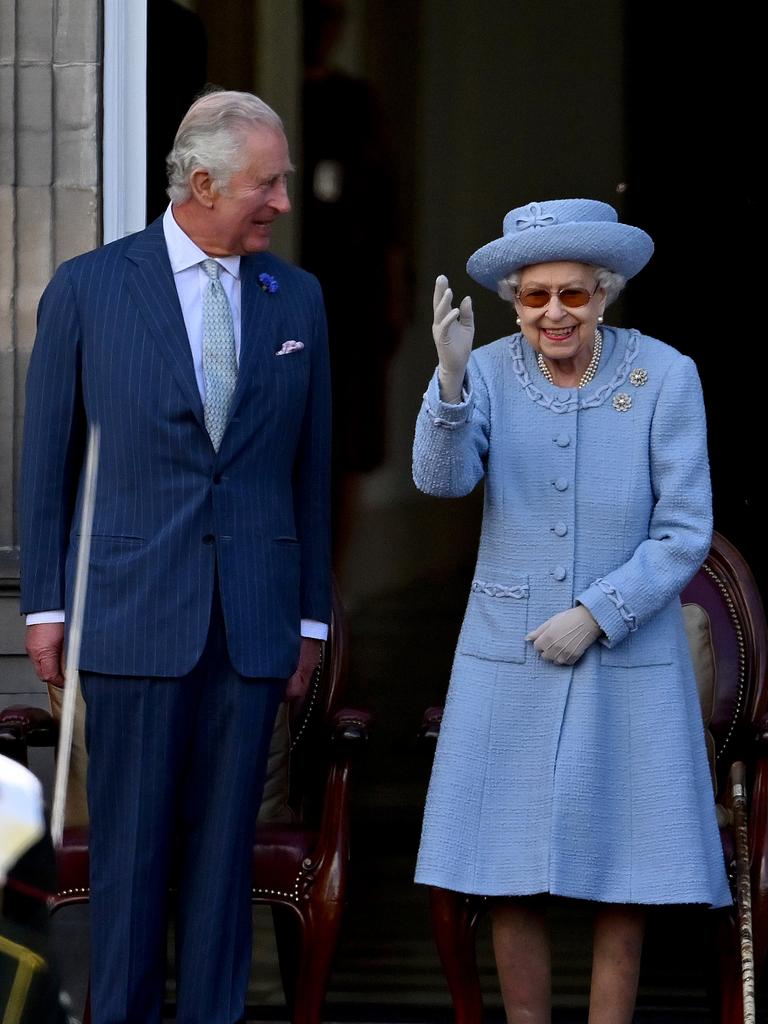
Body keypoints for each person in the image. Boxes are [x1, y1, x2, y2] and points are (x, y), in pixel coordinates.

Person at [20, 90, 331, 1024]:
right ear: (202, 183)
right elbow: (46, 462)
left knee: (221, 863)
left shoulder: (298, 297)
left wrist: (308, 616)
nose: (280, 200)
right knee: (131, 860)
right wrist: (44, 607)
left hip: (252, 622)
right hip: (130, 615)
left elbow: (309, 472)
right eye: (265, 183)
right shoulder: (88, 287)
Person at [413, 198, 731, 1023]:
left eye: (573, 296)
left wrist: (599, 613)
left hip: (626, 658)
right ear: (515, 298)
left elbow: (684, 530)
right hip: (506, 650)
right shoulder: (483, 371)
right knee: (506, 865)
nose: (553, 313)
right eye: (534, 297)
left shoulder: (665, 374)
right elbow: (441, 481)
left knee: (622, 870)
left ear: (605, 291)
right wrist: (447, 380)